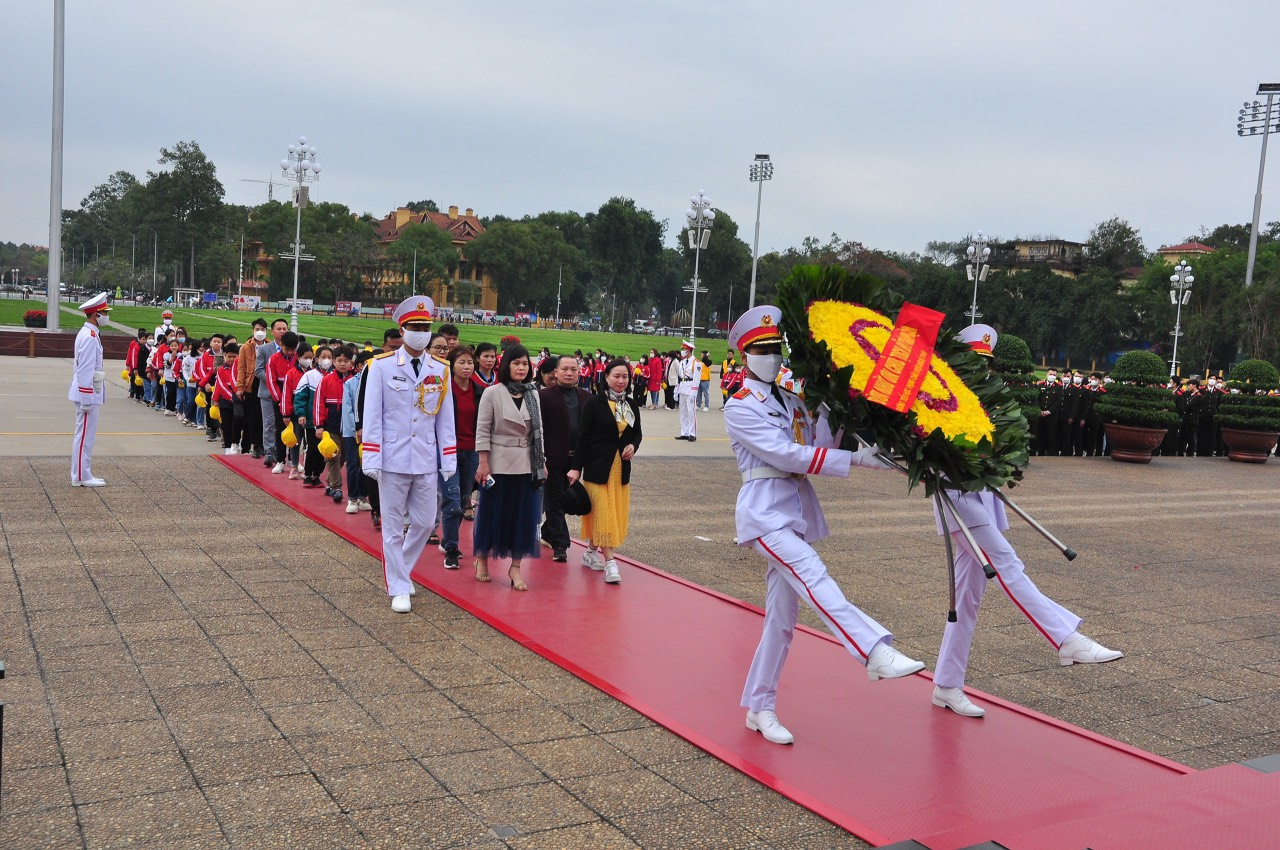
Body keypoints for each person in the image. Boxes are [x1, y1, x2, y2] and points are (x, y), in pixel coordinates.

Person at [725, 305, 924, 746]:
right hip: (763, 515)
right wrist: (855, 460)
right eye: (761, 349)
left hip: (793, 513)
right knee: (813, 574)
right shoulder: (739, 407)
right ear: (743, 356)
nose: (771, 357)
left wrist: (835, 399)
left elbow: (817, 444)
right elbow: (785, 455)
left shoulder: (793, 399)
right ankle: (873, 651)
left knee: (781, 620)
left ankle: (760, 706)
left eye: (776, 349)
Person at [931, 327, 1123, 719]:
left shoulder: (983, 402)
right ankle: (1065, 637)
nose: (980, 371)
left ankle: (947, 685)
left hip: (983, 498)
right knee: (1008, 566)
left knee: (967, 600)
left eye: (985, 364)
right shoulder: (938, 399)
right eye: (972, 363)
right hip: (957, 501)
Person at [362, 296, 457, 613]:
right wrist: (372, 458)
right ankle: (399, 586)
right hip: (392, 458)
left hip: (426, 458)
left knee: (425, 521)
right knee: (392, 527)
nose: (421, 332)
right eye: (415, 327)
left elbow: (445, 419)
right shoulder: (381, 366)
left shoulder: (440, 369)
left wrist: (449, 459)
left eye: (425, 327)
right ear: (402, 330)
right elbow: (373, 415)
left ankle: (399, 569)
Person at [473, 344, 545, 591]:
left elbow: (539, 432)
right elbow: (482, 430)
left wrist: (541, 461)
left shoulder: (533, 394)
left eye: (525, 363)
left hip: (527, 463)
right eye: (516, 363)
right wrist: (483, 462)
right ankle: (482, 558)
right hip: (498, 463)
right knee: (493, 514)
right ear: (507, 366)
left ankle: (515, 567)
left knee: (523, 517)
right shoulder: (492, 393)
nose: (522, 368)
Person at [569, 359, 642, 584]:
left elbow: (637, 433)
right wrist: (575, 468)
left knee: (610, 513)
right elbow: (583, 437)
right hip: (597, 468)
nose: (621, 381)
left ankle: (590, 553)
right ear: (606, 377)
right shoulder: (594, 403)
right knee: (603, 514)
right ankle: (611, 563)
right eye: (616, 376)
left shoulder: (630, 404)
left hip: (619, 469)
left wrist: (633, 446)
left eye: (625, 377)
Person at [539, 354, 591, 562]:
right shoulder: (544, 396)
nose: (569, 373)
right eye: (565, 369)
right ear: (556, 372)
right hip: (552, 459)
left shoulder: (586, 398)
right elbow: (538, 430)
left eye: (573, 369)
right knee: (554, 500)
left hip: (576, 460)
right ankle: (561, 544)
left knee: (566, 502)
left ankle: (547, 531)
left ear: (579, 373)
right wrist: (540, 459)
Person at [69, 293, 111, 487]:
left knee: (86, 435)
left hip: (89, 392)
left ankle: (83, 473)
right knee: (85, 435)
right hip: (87, 393)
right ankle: (81, 476)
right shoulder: (89, 337)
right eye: (105, 312)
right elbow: (85, 369)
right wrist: (87, 398)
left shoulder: (90, 334)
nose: (107, 316)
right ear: (96, 314)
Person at [447, 345, 483, 529]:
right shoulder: (444, 390)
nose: (466, 366)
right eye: (461, 362)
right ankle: (449, 541)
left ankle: (449, 541)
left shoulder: (480, 392)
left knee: (464, 498)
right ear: (452, 365)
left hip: (471, 451)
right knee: (451, 499)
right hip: (449, 451)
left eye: (470, 362)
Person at [675, 340, 699, 440]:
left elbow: (697, 379)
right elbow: (679, 377)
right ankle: (684, 432)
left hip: (690, 388)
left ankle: (692, 433)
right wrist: (676, 391)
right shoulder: (682, 362)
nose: (682, 351)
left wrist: (694, 393)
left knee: (691, 412)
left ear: (688, 350)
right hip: (682, 388)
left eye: (684, 349)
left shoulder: (696, 363)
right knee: (683, 412)